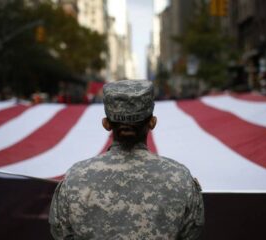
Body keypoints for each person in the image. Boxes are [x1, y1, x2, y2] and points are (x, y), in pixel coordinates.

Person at [49, 80, 204, 239]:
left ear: (106, 124)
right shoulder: (180, 179)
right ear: (152, 122)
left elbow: (60, 234)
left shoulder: (75, 178)